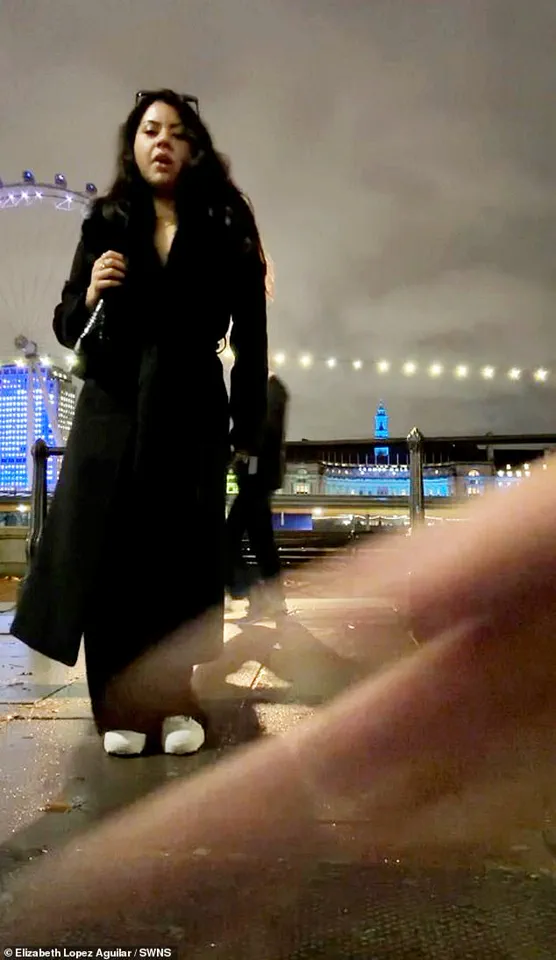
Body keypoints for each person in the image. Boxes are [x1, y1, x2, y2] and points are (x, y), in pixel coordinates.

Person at [11, 89, 269, 757]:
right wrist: (92, 292)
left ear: (194, 148)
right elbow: (67, 323)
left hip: (190, 405)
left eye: (177, 132)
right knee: (112, 557)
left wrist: (247, 429)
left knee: (178, 555)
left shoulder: (226, 223)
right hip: (113, 406)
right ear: (133, 143)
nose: (163, 141)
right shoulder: (106, 221)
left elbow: (252, 334)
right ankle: (118, 709)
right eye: (151, 129)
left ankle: (175, 698)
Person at [226, 371, 289, 617]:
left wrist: (241, 448)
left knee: (229, 539)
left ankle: (253, 592)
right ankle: (271, 597)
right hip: (259, 480)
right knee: (262, 543)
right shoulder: (274, 391)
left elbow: (258, 433)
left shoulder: (269, 392)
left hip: (255, 481)